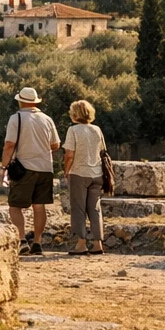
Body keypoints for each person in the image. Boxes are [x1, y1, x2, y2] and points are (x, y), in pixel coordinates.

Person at [1, 86, 60, 255]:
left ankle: (21, 240)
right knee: (39, 206)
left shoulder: (16, 118)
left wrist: (4, 166)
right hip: (45, 168)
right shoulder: (47, 119)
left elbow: (9, 144)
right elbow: (55, 144)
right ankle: (37, 242)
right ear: (35, 102)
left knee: (15, 206)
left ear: (20, 102)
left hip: (24, 168)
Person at [62, 99, 106, 255]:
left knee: (78, 208)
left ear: (75, 114)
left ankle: (81, 243)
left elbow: (69, 154)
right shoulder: (97, 129)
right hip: (97, 173)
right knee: (95, 208)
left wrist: (66, 170)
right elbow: (102, 151)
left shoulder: (73, 130)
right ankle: (98, 243)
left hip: (79, 172)